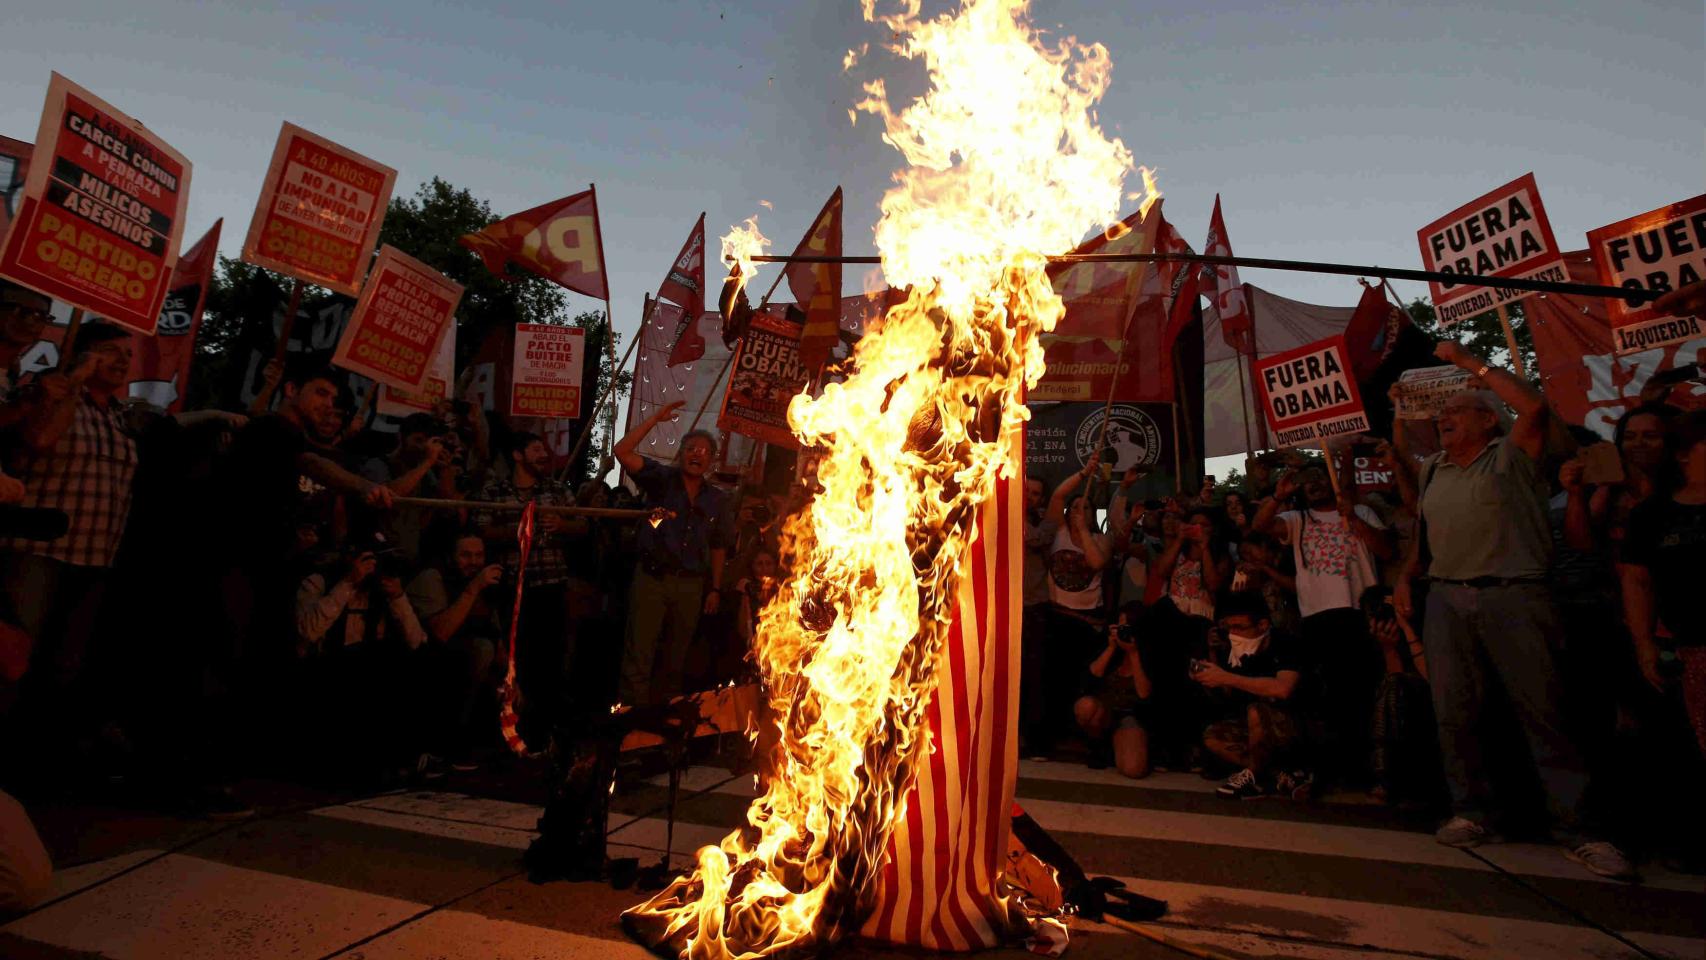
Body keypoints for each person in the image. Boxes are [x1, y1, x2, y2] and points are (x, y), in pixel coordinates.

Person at [1396, 340, 1634, 880]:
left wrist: (1467, 363)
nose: (1444, 418)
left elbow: (1533, 408)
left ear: (1489, 420)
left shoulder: (1511, 456)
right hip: (1447, 598)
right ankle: (1474, 811)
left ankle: (1581, 829)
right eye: (1442, 413)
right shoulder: (1433, 470)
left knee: (1544, 711)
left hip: (1516, 595)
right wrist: (1409, 576)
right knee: (1456, 713)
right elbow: (1425, 532)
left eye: (1458, 410)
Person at [0, 323, 139, 771]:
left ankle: (31, 763)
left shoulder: (120, 416)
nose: (121, 361)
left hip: (94, 558)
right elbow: (37, 441)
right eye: (109, 351)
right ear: (80, 353)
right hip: (38, 553)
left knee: (64, 666)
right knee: (13, 661)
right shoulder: (52, 394)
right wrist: (73, 383)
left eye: (126, 354)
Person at [1251, 463, 1390, 783]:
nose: (1313, 484)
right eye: (1307, 481)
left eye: (1319, 478)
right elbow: (1261, 526)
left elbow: (1385, 550)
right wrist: (1277, 496)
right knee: (1327, 697)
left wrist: (1353, 518)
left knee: (1362, 693)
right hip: (1317, 618)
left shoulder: (1361, 512)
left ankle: (1369, 769)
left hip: (1359, 614)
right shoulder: (1297, 519)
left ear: (1333, 480)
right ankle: (1335, 769)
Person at [613, 401, 736, 705]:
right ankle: (630, 718)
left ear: (711, 461)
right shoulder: (661, 479)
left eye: (704, 451)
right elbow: (622, 452)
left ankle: (665, 717)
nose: (697, 454)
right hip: (652, 578)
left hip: (691, 585)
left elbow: (718, 545)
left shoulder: (717, 500)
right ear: (681, 453)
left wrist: (715, 588)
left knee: (676, 656)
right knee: (639, 650)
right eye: (691, 448)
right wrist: (655, 418)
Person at [473, 432, 572, 732]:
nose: (544, 454)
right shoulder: (494, 491)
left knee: (550, 659)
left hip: (551, 586)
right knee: (516, 659)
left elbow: (584, 524)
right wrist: (520, 530)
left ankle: (547, 729)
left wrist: (563, 524)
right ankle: (512, 726)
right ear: (517, 455)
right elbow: (482, 530)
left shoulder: (557, 490)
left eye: (544, 449)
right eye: (536, 449)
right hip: (511, 588)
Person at [1194, 591, 1314, 800]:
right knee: (1214, 736)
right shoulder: (1238, 652)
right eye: (1229, 628)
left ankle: (1255, 777)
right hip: (1257, 729)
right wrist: (1211, 670)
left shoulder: (1286, 644)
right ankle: (1276, 775)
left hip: (1297, 725)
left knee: (1256, 712)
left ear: (1263, 625)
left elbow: (1282, 688)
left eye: (1239, 627)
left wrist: (1227, 677)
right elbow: (1230, 695)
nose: (1233, 634)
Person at [1033, 455, 1111, 759]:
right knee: (1054, 681)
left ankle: (1088, 738)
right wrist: (1083, 473)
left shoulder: (1100, 539)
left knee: (1084, 682)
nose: (1079, 511)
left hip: (1088, 622)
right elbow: (1058, 496)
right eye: (1075, 507)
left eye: (1086, 508)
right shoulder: (1058, 533)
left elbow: (1096, 562)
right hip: (1057, 618)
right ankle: (1052, 738)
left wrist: (1083, 531)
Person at [407, 532, 506, 769]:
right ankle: (450, 744)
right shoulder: (433, 577)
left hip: (466, 655)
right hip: (424, 656)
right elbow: (441, 633)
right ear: (451, 557)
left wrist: (510, 677)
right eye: (466, 555)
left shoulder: (483, 582)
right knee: (481, 650)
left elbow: (494, 632)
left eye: (479, 555)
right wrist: (473, 589)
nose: (474, 562)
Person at [1360, 585, 1441, 809]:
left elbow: (1433, 681)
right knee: (1391, 686)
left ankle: (1386, 781)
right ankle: (1384, 778)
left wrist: (1407, 628)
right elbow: (1392, 686)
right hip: (1398, 721)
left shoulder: (1427, 630)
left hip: (1429, 710)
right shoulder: (1371, 644)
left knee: (1395, 685)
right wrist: (1389, 649)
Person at [362, 412, 460, 566]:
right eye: (418, 440)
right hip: (376, 555)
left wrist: (445, 469)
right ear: (400, 437)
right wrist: (428, 462)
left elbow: (448, 509)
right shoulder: (377, 465)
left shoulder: (426, 474)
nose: (423, 447)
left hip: (410, 555)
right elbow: (388, 497)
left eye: (429, 442)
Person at [1073, 602, 1155, 778]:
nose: (1123, 631)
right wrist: (1111, 647)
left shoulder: (1149, 653)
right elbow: (1092, 676)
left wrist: (1133, 653)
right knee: (1086, 706)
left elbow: (1144, 694)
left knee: (1134, 770)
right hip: (1104, 713)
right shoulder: (1111, 648)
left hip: (1132, 716)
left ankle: (1117, 748)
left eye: (1128, 627)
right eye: (1120, 626)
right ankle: (1098, 746)